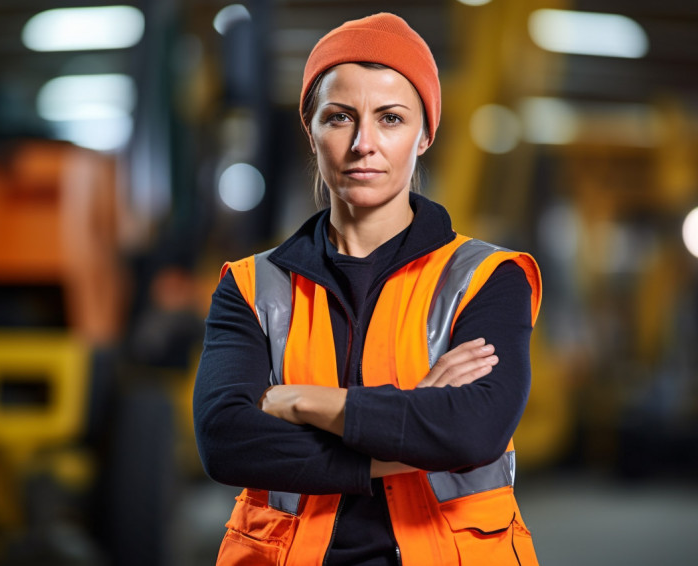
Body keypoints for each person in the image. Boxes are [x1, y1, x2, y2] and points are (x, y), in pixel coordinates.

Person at [193, 12, 542, 566]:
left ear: (425, 134)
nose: (364, 144)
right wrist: (411, 432)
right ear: (310, 130)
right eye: (339, 117)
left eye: (391, 118)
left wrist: (303, 401)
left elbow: (476, 431)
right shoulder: (251, 286)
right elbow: (224, 439)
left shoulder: (487, 279)